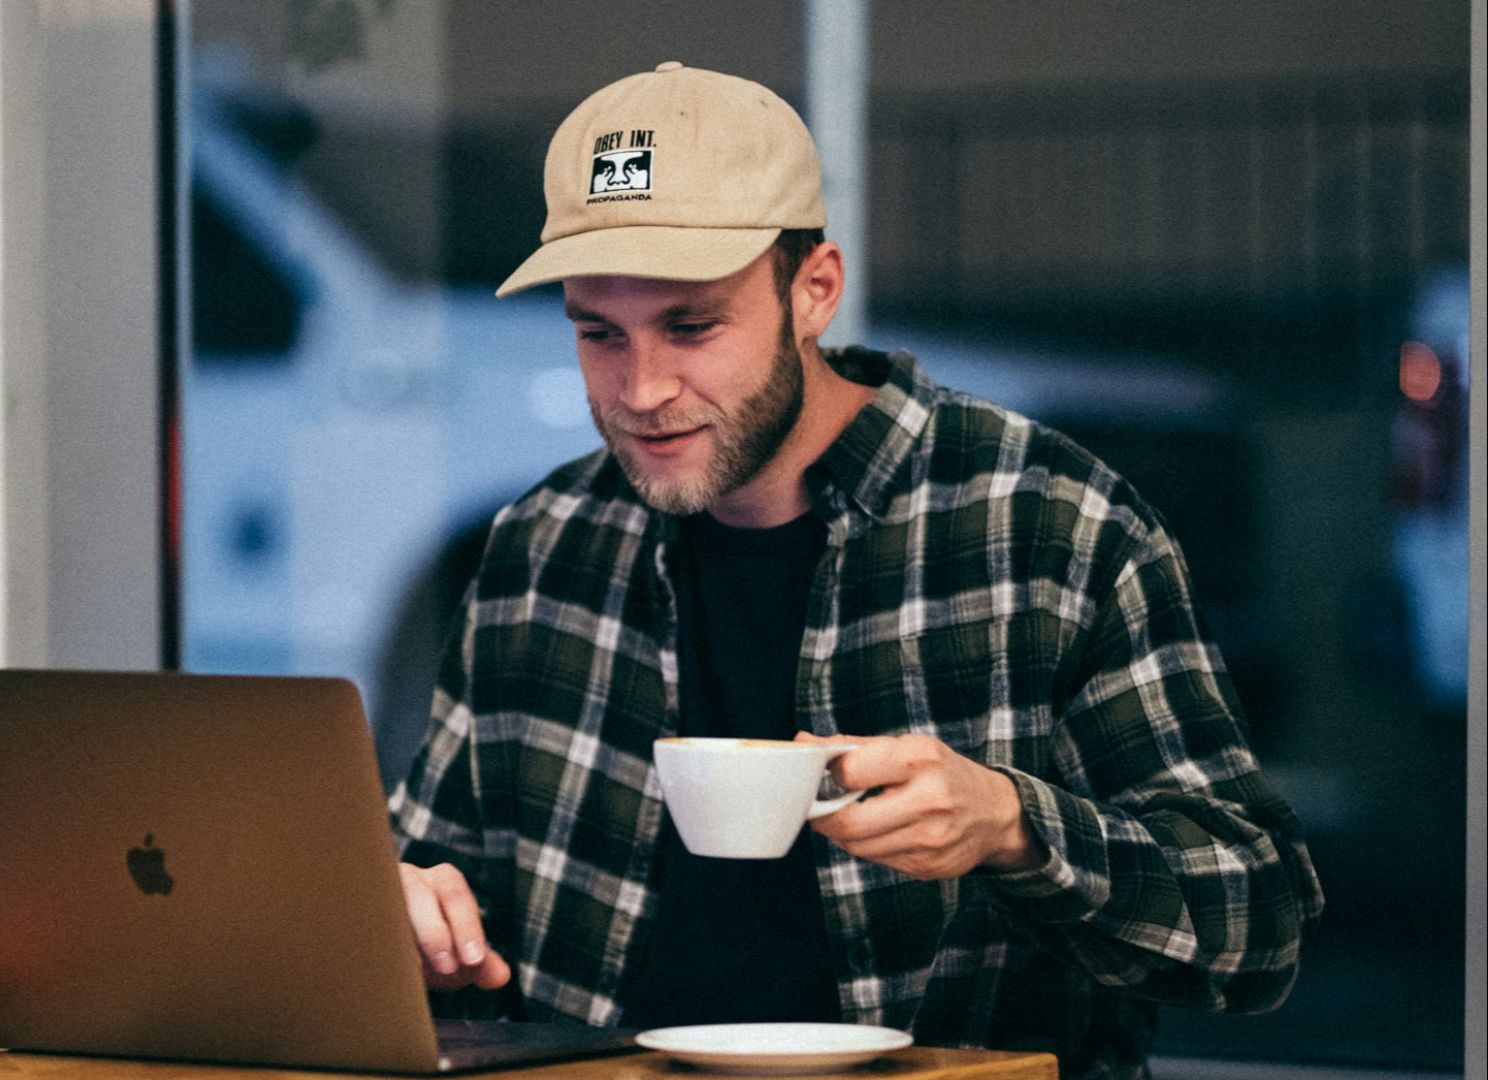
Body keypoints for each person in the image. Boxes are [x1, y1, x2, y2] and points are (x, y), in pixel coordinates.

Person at [387, 62, 1323, 1080]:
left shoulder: (1048, 525)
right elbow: (433, 885)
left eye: (692, 326)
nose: (643, 389)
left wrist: (1014, 828)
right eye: (598, 333)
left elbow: (1258, 927)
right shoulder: (541, 547)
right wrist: (406, 916)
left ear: (814, 292)